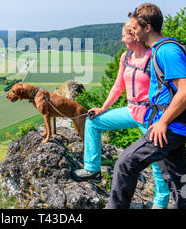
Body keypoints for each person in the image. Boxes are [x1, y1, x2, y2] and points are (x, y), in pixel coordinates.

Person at [71, 20, 171, 209]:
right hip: (131, 110)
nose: (121, 39)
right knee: (93, 123)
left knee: (158, 162)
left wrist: (163, 119)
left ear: (135, 36)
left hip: (150, 116)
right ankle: (92, 169)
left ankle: (160, 203)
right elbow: (118, 86)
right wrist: (103, 108)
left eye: (124, 35)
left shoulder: (154, 57)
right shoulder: (126, 57)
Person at [105, 3, 186, 209]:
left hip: (169, 127)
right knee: (179, 178)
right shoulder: (159, 50)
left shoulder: (167, 51)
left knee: (126, 162)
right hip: (173, 125)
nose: (133, 33)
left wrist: (162, 122)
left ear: (147, 28)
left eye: (135, 28)